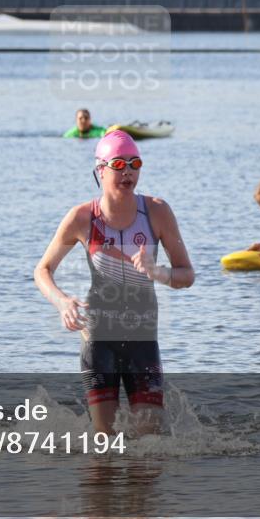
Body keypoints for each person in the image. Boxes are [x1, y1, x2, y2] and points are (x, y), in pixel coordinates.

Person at [34, 130, 194, 434]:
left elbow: (187, 274)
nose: (129, 171)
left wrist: (158, 272)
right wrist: (62, 302)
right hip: (98, 339)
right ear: (101, 170)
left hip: (143, 339)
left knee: (151, 449)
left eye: (135, 163)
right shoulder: (82, 217)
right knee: (103, 448)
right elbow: (42, 270)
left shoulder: (157, 212)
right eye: (119, 164)